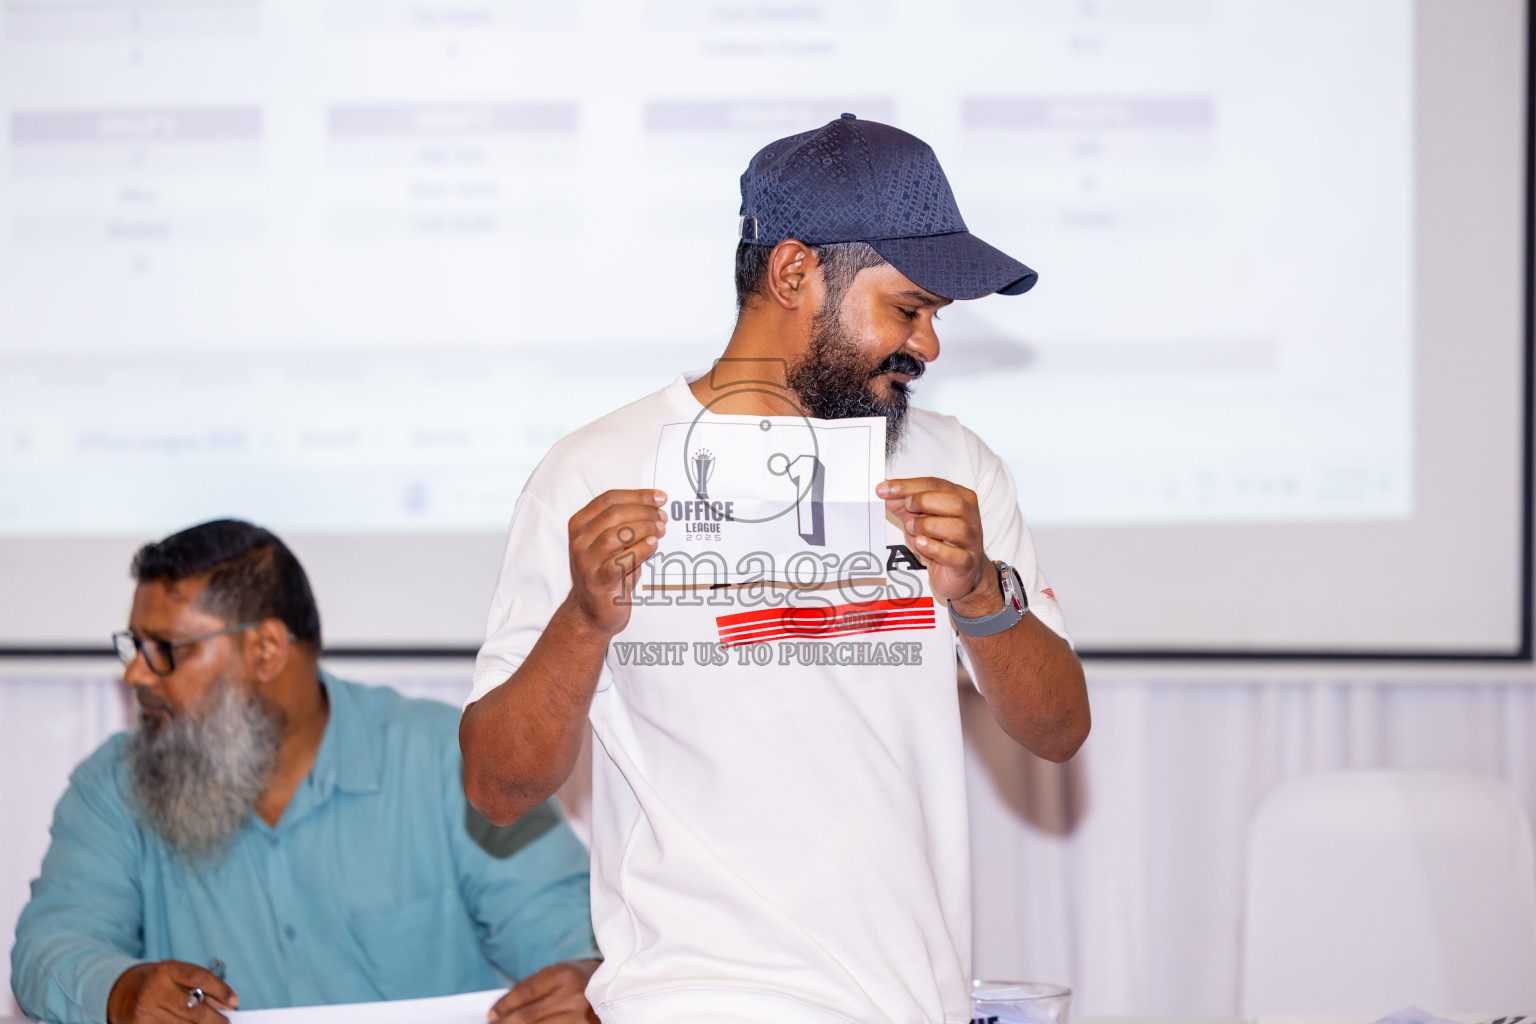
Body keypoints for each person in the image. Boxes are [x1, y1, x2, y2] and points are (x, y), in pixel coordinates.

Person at [459, 115, 1091, 1024]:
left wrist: (982, 596)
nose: (930, 345)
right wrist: (583, 621)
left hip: (909, 1002)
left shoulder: (957, 468)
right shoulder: (595, 471)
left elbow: (1060, 731)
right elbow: (495, 785)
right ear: (794, 273)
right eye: (908, 309)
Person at [11, 520, 601, 1024]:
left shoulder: (448, 762)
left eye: (164, 649)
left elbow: (573, 942)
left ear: (266, 649)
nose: (136, 675)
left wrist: (587, 985)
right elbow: (49, 946)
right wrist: (119, 991)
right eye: (133, 646)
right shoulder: (115, 784)